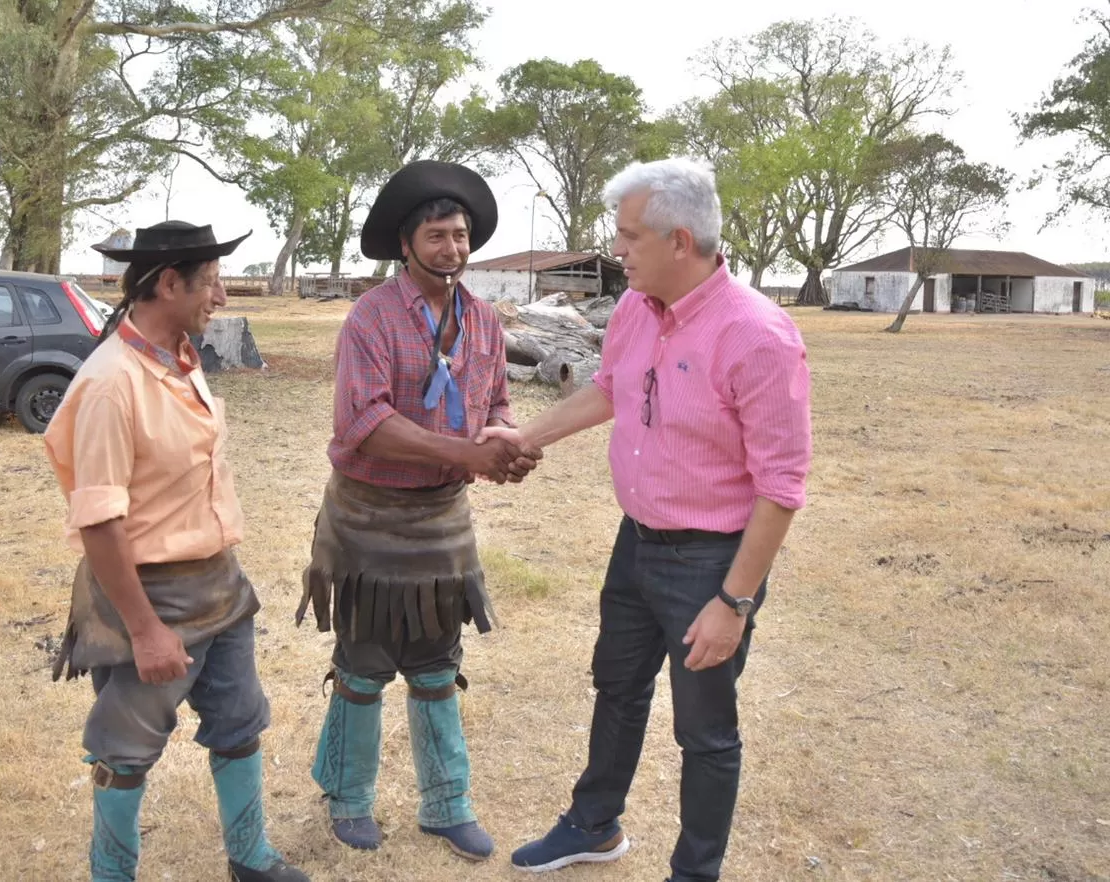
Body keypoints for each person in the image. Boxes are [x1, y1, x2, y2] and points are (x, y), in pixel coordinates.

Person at [485, 158, 813, 881]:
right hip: (635, 543)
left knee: (705, 731)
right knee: (617, 687)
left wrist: (734, 601)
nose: (618, 250)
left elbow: (782, 487)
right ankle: (594, 826)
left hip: (709, 563)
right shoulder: (636, 307)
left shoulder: (758, 335)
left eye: (630, 236)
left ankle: (695, 872)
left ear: (681, 240)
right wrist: (525, 437)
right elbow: (610, 389)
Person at [43, 220, 309, 882]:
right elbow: (100, 522)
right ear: (169, 283)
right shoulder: (111, 383)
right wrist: (145, 630)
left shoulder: (181, 361)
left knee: (240, 724)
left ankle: (251, 860)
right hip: (150, 597)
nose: (219, 296)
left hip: (220, 586)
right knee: (125, 750)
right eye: (211, 283)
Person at [296, 160, 540, 862]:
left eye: (460, 236)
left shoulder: (484, 320)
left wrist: (506, 446)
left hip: (442, 523)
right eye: (437, 236)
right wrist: (466, 456)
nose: (453, 250)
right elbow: (364, 423)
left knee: (437, 667)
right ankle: (347, 798)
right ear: (407, 245)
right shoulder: (371, 317)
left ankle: (446, 804)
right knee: (364, 665)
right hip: (368, 519)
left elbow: (493, 404)